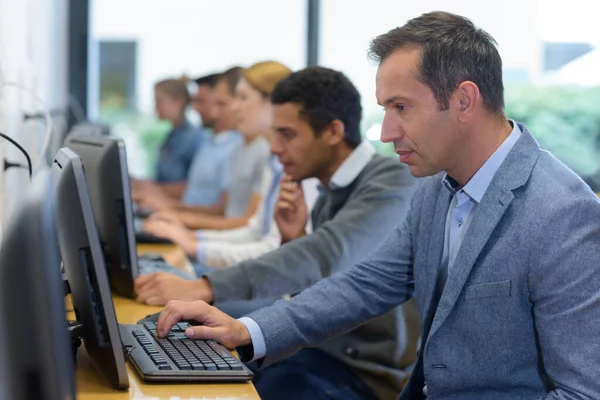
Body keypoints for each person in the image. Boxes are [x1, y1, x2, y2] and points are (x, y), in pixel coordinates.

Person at [152, 11, 600, 400]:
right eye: (385, 108)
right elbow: (365, 284)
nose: (386, 132)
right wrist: (248, 330)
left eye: (401, 107)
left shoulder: (561, 214)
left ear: (464, 100)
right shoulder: (435, 185)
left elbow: (583, 391)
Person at [135, 66, 420, 400]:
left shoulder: (391, 182)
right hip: (318, 350)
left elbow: (326, 255)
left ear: (332, 132)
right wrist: (293, 238)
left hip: (360, 372)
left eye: (287, 134)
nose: (273, 148)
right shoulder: (329, 188)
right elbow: (329, 277)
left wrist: (204, 287)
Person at [142, 61, 293, 269]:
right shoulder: (269, 160)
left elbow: (267, 244)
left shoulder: (277, 160)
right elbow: (254, 231)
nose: (235, 107)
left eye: (243, 98)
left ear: (272, 102)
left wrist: (193, 242)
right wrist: (192, 238)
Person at [134, 67, 244, 212]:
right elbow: (193, 193)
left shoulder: (229, 145)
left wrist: (166, 204)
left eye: (220, 103)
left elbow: (221, 210)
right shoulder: (208, 141)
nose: (196, 108)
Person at [152, 78, 203, 183]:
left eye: (159, 101)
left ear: (179, 102)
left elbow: (193, 187)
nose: (156, 108)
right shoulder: (171, 136)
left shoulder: (194, 139)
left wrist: (152, 189)